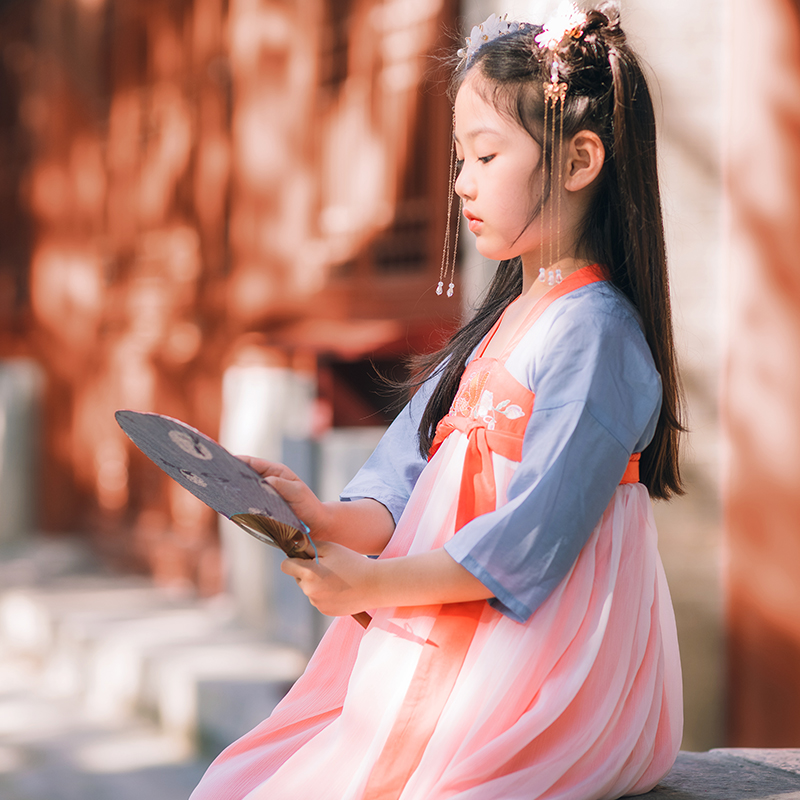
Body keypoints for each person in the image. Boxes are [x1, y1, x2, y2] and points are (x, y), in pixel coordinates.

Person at [191, 4, 684, 799]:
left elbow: (531, 541)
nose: (461, 181)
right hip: (456, 629)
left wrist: (370, 587)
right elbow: (405, 479)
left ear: (579, 159)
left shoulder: (595, 332)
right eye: (461, 157)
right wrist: (321, 519)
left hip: (538, 661)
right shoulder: (496, 329)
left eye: (485, 154)